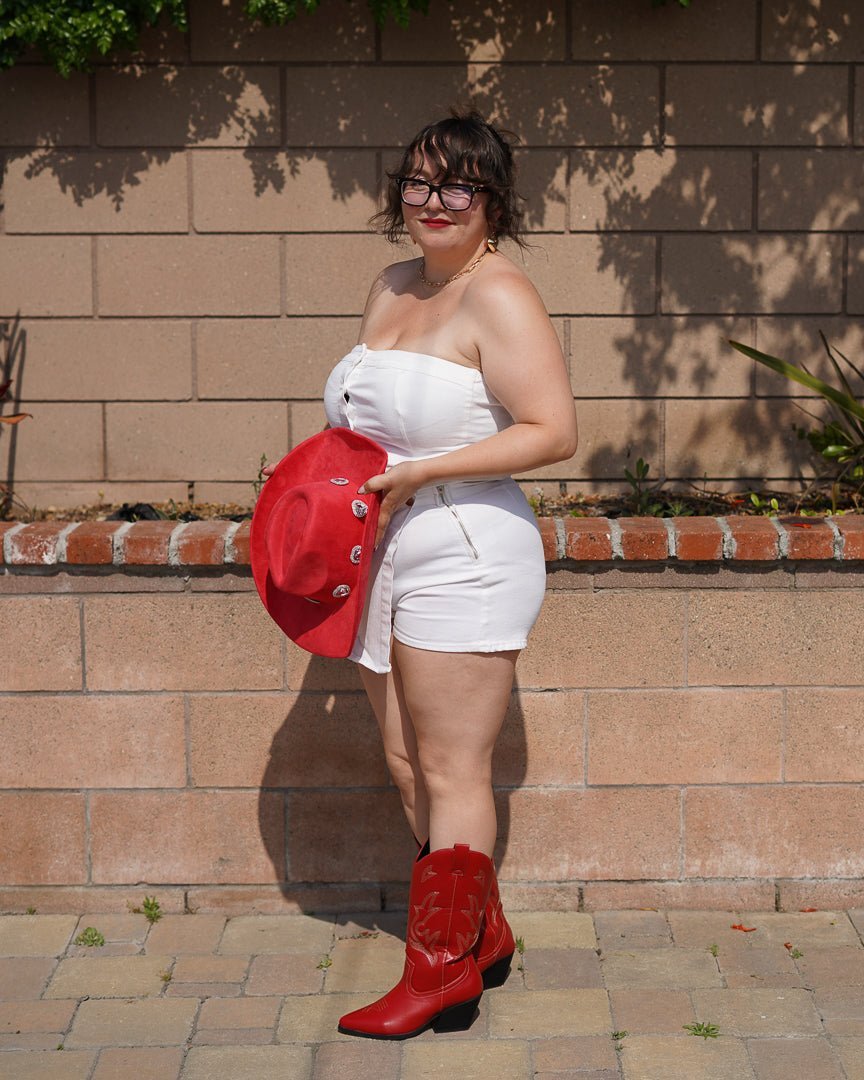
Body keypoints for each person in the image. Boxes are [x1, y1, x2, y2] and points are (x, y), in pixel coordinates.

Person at [270, 111, 577, 1040]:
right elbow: (363, 424)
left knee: (451, 765)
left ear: (492, 199)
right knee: (406, 761)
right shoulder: (392, 284)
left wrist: (423, 473)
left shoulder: (502, 295)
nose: (433, 203)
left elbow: (553, 432)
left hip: (466, 546)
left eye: (457, 187)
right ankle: (480, 932)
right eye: (417, 183)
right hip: (385, 548)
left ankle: (440, 970)